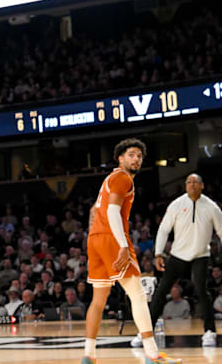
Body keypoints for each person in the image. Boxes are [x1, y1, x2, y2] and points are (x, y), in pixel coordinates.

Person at [82, 138, 179, 364]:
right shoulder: (122, 178)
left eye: (139, 156)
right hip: (112, 239)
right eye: (131, 155)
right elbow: (114, 212)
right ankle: (152, 354)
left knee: (98, 300)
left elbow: (93, 211)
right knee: (137, 294)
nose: (136, 159)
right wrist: (123, 246)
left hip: (95, 239)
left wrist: (94, 236)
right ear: (120, 158)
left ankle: (89, 355)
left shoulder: (108, 179)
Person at [131, 173, 222, 348]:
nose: (192, 184)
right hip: (178, 255)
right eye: (189, 182)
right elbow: (164, 229)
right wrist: (158, 254)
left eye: (196, 182)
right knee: (161, 290)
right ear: (186, 185)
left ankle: (209, 331)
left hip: (200, 255)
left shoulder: (212, 208)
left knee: (202, 290)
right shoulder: (177, 205)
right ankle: (146, 333)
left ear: (202, 186)